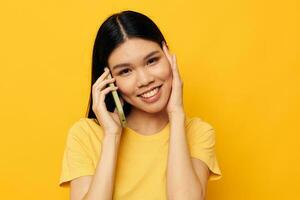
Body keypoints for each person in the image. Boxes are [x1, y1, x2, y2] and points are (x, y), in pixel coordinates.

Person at [59, 10, 222, 200]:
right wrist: (112, 136)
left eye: (152, 61)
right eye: (126, 71)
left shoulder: (197, 133)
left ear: (168, 55)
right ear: (108, 79)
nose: (144, 80)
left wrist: (176, 114)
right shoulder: (85, 135)